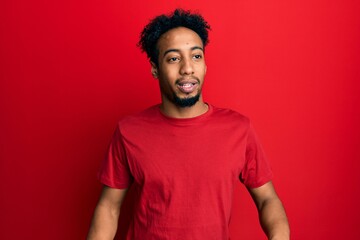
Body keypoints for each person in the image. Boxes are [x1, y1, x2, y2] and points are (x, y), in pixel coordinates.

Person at [87, 9, 290, 240]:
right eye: (174, 58)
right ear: (155, 68)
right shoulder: (129, 131)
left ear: (204, 65)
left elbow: (267, 199)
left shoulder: (239, 129)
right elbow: (109, 208)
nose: (187, 68)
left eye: (196, 56)